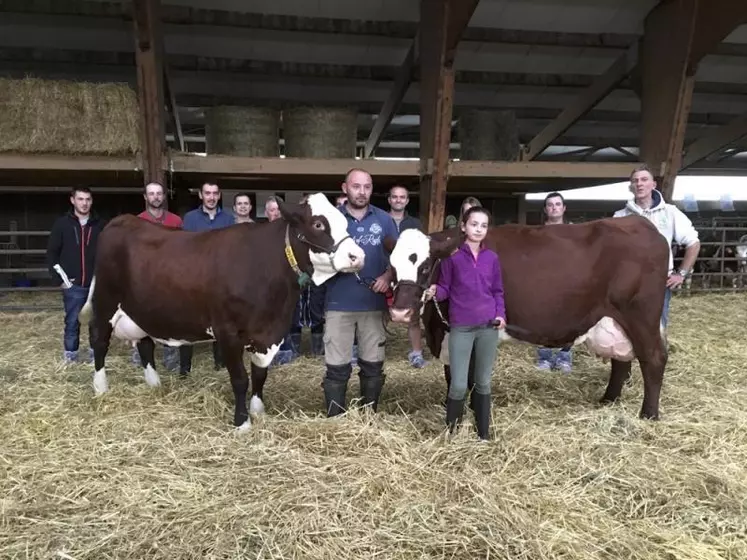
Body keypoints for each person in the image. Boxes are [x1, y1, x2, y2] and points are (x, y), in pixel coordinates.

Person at [322, 168, 399, 416]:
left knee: (373, 364)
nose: (362, 192)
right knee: (336, 366)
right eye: (356, 186)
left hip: (373, 304)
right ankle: (336, 418)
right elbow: (317, 256)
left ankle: (369, 415)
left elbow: (399, 257)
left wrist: (388, 276)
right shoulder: (332, 219)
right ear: (345, 188)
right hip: (338, 302)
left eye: (367, 186)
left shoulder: (384, 220)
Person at [425, 206, 506, 440]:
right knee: (459, 384)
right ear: (463, 226)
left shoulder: (491, 258)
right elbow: (445, 288)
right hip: (461, 327)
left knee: (483, 382)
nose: (478, 229)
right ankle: (452, 434)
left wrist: (501, 314)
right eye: (474, 224)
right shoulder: (452, 258)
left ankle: (483, 433)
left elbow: (498, 290)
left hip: (488, 327)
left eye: (483, 225)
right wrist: (435, 292)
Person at [613, 164, 700, 330]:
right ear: (631, 187)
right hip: (626, 284)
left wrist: (681, 274)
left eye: (644, 179)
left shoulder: (670, 212)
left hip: (658, 282)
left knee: (656, 329)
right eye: (635, 181)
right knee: (624, 328)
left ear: (653, 185)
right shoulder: (620, 216)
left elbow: (693, 243)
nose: (639, 184)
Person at [46, 186, 106, 364]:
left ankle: (96, 357)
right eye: (80, 199)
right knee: (72, 322)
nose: (84, 203)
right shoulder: (62, 224)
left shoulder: (100, 225)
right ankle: (71, 357)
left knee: (96, 323)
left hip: (96, 284)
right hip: (73, 285)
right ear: (72, 200)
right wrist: (61, 280)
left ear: (92, 201)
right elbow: (52, 253)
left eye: (88, 199)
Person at [180, 181, 235, 374]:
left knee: (220, 323)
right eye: (207, 193)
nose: (211, 197)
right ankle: (184, 370)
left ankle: (220, 367)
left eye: (214, 193)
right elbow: (184, 249)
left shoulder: (229, 219)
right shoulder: (190, 218)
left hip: (219, 281)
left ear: (219, 196)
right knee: (187, 322)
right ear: (200, 195)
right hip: (193, 280)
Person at [132, 182, 184, 370]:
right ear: (145, 197)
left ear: (163, 196)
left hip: (169, 280)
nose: (155, 197)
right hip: (144, 280)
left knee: (169, 319)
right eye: (151, 194)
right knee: (141, 320)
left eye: (159, 193)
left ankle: (171, 361)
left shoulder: (176, 221)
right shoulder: (137, 222)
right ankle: (142, 361)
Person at [387, 185, 427, 368]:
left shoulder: (415, 224)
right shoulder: (381, 221)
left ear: (407, 200)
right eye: (395, 197)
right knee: (377, 313)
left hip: (407, 276)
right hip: (385, 272)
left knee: (413, 315)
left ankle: (417, 353)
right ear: (389, 200)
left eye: (402, 197)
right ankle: (376, 351)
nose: (398, 200)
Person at [536, 192, 574, 373]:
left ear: (564, 208)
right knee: (543, 320)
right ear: (545, 209)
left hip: (568, 282)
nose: (554, 207)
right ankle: (544, 358)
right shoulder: (537, 233)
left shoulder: (574, 233)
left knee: (569, 319)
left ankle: (564, 358)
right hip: (544, 283)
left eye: (558, 204)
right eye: (550, 205)